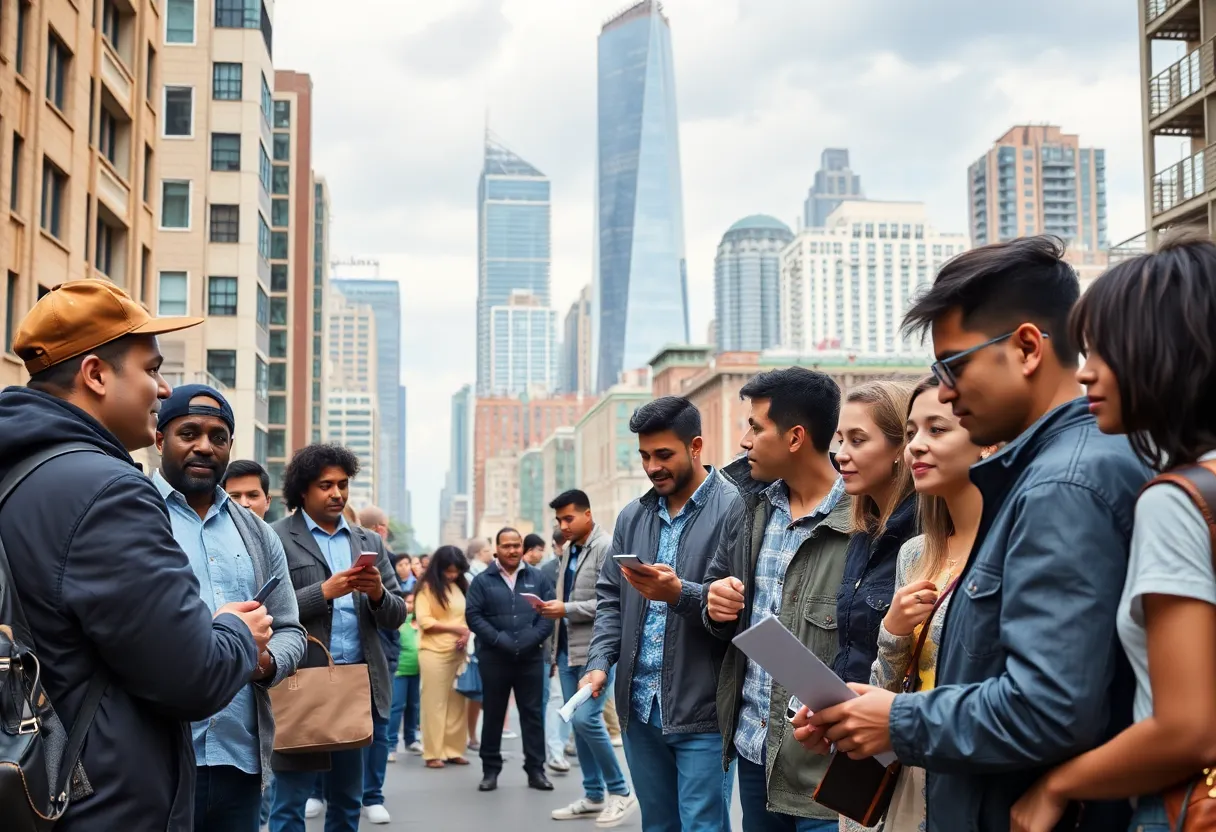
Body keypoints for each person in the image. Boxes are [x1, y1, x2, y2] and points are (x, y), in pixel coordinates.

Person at [795, 236, 1148, 832]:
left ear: (1028, 348)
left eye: (953, 367)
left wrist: (899, 720)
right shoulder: (1053, 470)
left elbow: (1052, 706)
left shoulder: (1062, 484)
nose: (949, 391)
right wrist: (885, 706)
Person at [0, 279, 267, 830]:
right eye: (151, 369)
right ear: (96, 374)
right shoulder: (108, 490)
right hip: (98, 800)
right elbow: (192, 675)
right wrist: (235, 632)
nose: (164, 389)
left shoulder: (19, 471)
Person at [1011, 232, 1216, 832]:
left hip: (1179, 808)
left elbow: (1186, 729)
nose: (1086, 374)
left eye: (1105, 351)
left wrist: (1056, 786)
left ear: (1165, 351)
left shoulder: (1177, 500)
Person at [582, 396, 741, 832]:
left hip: (703, 708)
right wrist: (599, 663)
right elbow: (611, 600)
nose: (652, 466)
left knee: (703, 827)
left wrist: (679, 592)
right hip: (638, 707)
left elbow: (740, 609)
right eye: (645, 456)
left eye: (664, 455)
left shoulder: (737, 510)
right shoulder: (633, 516)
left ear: (696, 446)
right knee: (657, 826)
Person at [703, 368, 852, 832]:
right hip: (754, 750)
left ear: (795, 437)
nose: (745, 441)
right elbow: (721, 603)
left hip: (827, 767)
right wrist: (717, 606)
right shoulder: (750, 508)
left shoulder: (866, 518)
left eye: (755, 426)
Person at [153, 384, 306, 831]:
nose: (204, 445)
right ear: (161, 439)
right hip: (156, 758)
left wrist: (266, 662)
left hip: (240, 759)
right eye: (189, 432)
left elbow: (291, 629)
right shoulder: (133, 513)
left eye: (218, 437)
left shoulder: (257, 534)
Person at [844, 377, 993, 832]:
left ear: (986, 443)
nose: (917, 447)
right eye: (911, 433)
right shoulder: (916, 553)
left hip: (973, 778)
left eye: (938, 429)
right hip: (907, 774)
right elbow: (888, 685)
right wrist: (892, 631)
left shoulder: (1007, 551)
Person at [268, 444, 407, 832]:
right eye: (325, 485)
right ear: (302, 490)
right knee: (290, 803)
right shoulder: (274, 537)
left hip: (355, 687)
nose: (337, 494)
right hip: (300, 685)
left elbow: (397, 616)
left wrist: (378, 593)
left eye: (343, 485)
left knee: (347, 802)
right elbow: (262, 610)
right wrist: (322, 593)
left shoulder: (369, 543)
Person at [544, 489, 637, 826]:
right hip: (568, 649)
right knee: (576, 722)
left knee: (586, 720)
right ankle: (594, 795)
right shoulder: (569, 549)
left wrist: (564, 609)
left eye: (569, 518)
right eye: (558, 520)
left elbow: (611, 603)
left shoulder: (607, 546)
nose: (563, 525)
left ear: (587, 514)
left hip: (596, 650)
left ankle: (620, 791)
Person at [832, 380, 917, 685]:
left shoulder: (923, 538)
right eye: (840, 440)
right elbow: (852, 652)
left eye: (857, 440)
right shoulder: (862, 534)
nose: (841, 454)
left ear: (901, 447)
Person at [465, 528, 556, 793]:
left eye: (517, 545)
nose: (513, 550)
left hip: (530, 658)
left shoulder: (537, 578)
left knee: (533, 715)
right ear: (497, 549)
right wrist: (499, 639)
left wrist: (530, 638)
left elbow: (548, 613)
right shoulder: (483, 581)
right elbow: (474, 616)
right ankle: (490, 771)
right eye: (507, 546)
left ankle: (536, 770)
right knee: (493, 714)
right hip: (494, 658)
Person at [356, 504, 400, 825]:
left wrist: (377, 593)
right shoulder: (285, 539)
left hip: (380, 653)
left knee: (378, 726)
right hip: (331, 661)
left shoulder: (378, 551)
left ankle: (373, 795)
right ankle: (318, 790)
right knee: (322, 726)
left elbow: (397, 610)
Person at [416, 545, 473, 769]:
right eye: (448, 571)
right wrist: (457, 630)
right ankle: (433, 752)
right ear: (438, 568)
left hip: (458, 653)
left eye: (456, 571)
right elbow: (425, 622)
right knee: (434, 703)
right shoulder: (427, 588)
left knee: (458, 702)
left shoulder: (459, 587)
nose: (452, 575)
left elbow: (466, 617)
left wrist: (466, 633)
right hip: (433, 653)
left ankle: (453, 750)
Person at [539, 544, 573, 775]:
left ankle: (564, 744)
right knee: (557, 699)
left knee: (572, 703)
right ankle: (555, 751)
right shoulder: (548, 570)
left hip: (584, 647)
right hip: (558, 646)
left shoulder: (595, 558)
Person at [387, 590, 422, 759]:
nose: (412, 606)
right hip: (400, 671)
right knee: (397, 707)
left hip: (417, 672)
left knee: (413, 706)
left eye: (415, 602)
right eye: (408, 602)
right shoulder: (400, 622)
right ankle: (391, 745)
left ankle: (411, 740)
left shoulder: (420, 622)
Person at [464, 538, 492, 748]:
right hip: (475, 640)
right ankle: (472, 735)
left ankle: (475, 735)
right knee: (476, 692)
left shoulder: (483, 574)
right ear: (480, 553)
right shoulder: (473, 576)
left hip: (482, 638)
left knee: (481, 693)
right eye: (487, 550)